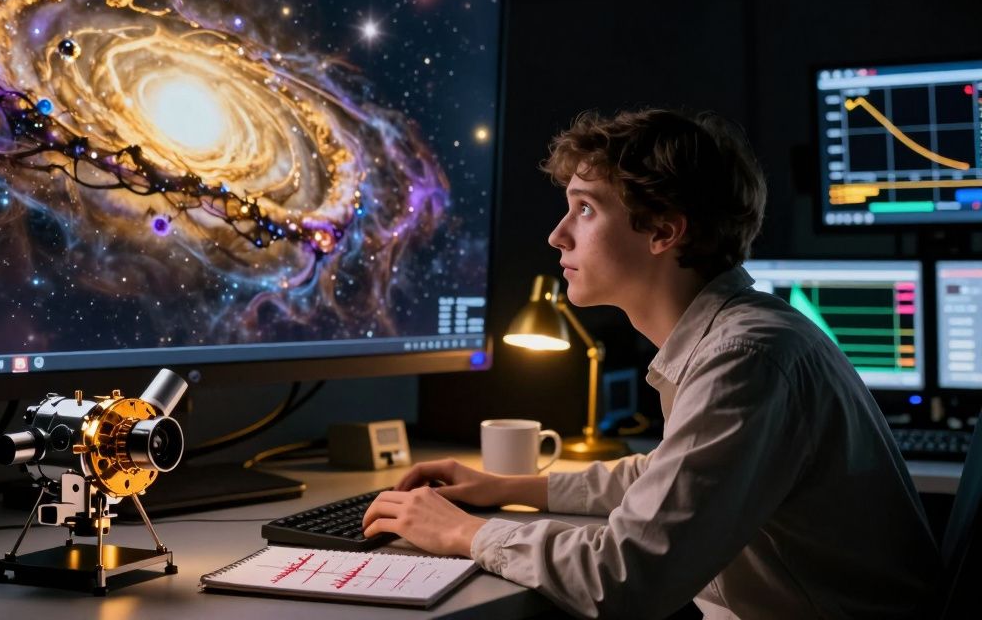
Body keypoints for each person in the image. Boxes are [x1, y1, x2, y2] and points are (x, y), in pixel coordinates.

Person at [361, 108, 939, 618]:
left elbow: (625, 582)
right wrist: (506, 487)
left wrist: (464, 532)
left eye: (585, 210)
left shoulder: (743, 358)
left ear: (663, 231)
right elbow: (665, 476)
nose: (557, 235)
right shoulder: (734, 336)